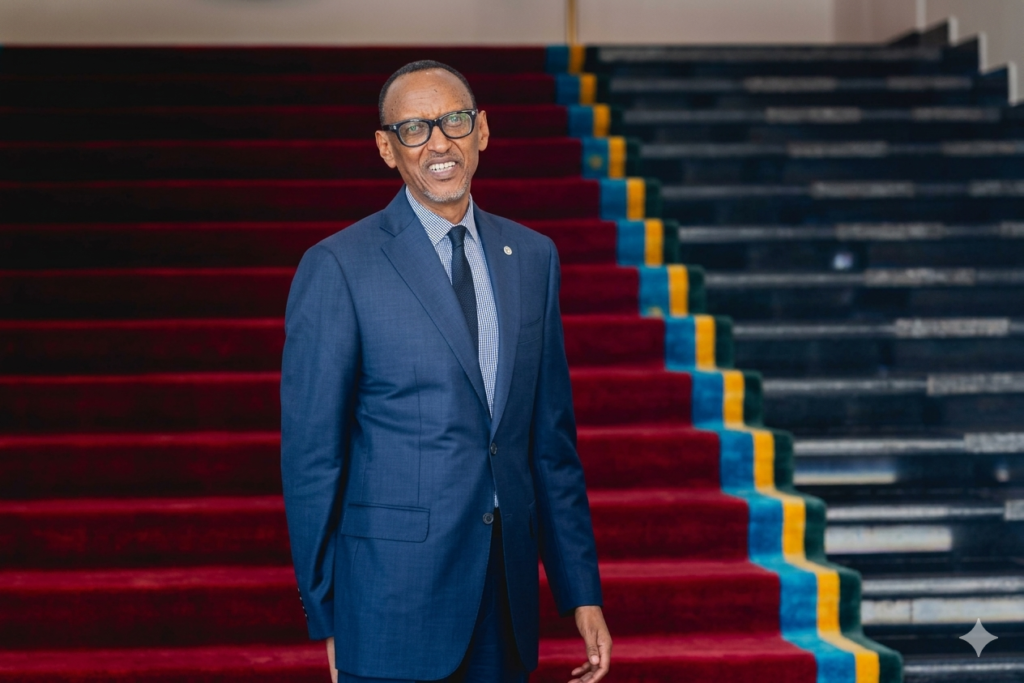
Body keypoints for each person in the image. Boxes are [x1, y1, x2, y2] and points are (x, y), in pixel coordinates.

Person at [280, 59, 611, 683]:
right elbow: (312, 459)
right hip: (388, 603)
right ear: (387, 148)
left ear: (481, 130)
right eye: (414, 129)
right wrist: (327, 613)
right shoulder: (339, 266)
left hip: (505, 599)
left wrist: (580, 591)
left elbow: (551, 447)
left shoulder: (532, 257)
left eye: (453, 121)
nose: (438, 143)